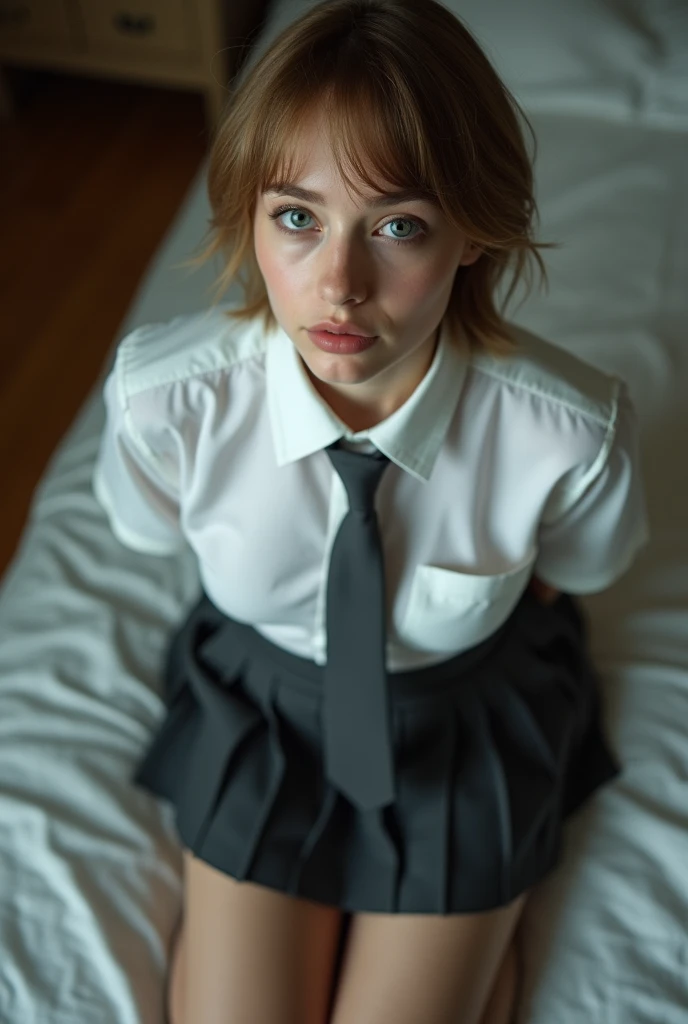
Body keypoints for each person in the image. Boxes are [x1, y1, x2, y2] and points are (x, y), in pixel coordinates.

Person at [92, 1, 650, 1022]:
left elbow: (575, 570)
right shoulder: (165, 399)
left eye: (397, 226)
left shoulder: (571, 434)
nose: (337, 287)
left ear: (472, 234)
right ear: (250, 219)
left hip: (463, 718)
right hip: (258, 712)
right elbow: (145, 525)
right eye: (296, 217)